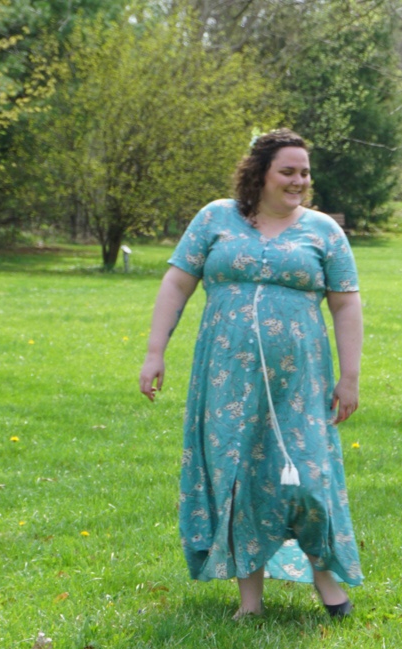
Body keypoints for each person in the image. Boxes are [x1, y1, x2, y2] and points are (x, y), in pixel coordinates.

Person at [138, 129, 363, 620]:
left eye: (305, 172)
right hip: (226, 378)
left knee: (307, 478)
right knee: (236, 473)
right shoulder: (215, 218)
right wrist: (155, 352)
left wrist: (349, 378)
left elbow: (346, 305)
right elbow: (177, 282)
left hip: (298, 382)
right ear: (260, 173)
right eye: (288, 171)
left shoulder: (324, 230)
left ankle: (328, 583)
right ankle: (250, 603)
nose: (299, 181)